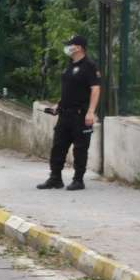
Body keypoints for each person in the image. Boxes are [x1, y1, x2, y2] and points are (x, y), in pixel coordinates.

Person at [37, 34, 101, 191]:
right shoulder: (70, 65)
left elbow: (95, 89)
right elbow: (68, 90)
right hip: (65, 113)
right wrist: (58, 105)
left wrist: (91, 112)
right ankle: (55, 178)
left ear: (79, 47)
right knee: (58, 146)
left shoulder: (89, 66)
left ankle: (78, 180)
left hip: (80, 114)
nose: (67, 47)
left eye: (70, 45)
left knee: (80, 148)